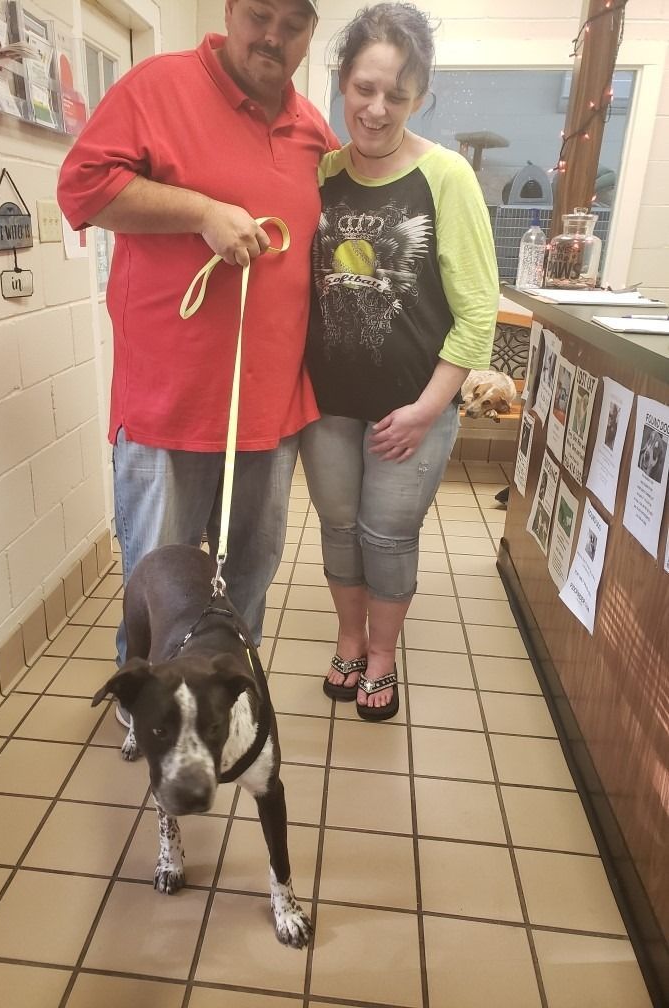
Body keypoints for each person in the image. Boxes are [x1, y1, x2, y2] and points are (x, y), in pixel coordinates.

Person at [57, 0, 337, 691]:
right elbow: (82, 189)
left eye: (294, 22)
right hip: (168, 408)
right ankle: (145, 703)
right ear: (231, 9)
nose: (273, 35)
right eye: (260, 14)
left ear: (311, 31)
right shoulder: (158, 86)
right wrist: (201, 211)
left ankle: (225, 698)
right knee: (160, 584)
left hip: (269, 412)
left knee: (247, 580)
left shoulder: (312, 134)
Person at [300, 3, 498, 721]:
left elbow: (478, 313)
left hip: (414, 407)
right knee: (337, 527)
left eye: (397, 94)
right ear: (342, 83)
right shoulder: (319, 172)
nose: (377, 109)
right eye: (363, 88)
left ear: (420, 98)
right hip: (326, 404)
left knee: (386, 534)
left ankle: (382, 656)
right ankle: (350, 641)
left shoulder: (447, 178)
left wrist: (427, 409)